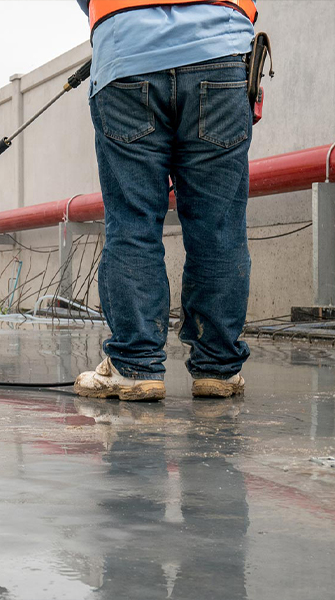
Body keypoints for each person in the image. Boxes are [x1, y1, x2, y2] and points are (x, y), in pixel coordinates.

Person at [73, 0, 258, 400]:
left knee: (132, 223)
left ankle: (135, 366)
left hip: (127, 56)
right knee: (219, 227)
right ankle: (217, 369)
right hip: (219, 54)